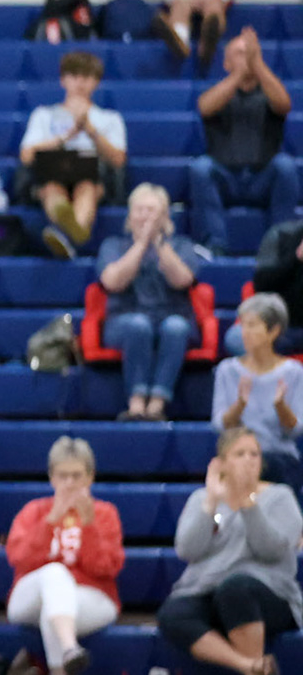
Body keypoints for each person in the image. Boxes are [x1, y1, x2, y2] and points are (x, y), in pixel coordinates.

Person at [160, 427, 302, 675]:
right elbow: (187, 549)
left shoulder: (281, 497)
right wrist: (211, 503)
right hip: (208, 590)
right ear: (221, 463)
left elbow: (272, 550)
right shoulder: (202, 498)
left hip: (268, 594)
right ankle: (251, 666)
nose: (249, 460)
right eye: (240, 454)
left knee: (235, 588)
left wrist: (248, 503)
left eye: (254, 454)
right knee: (173, 613)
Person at [3, 437, 125, 675]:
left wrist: (89, 525)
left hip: (92, 597)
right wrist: (51, 520)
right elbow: (19, 560)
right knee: (55, 574)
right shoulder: (34, 511)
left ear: (90, 477)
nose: (70, 483)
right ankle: (70, 648)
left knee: (54, 612)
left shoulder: (104, 513)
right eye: (63, 475)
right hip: (29, 596)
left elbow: (106, 569)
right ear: (52, 478)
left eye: (77, 475)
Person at [97, 183, 206, 421]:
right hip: (124, 320)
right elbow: (112, 282)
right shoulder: (113, 245)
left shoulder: (181, 246)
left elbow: (183, 280)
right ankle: (136, 404)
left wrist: (158, 244)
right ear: (129, 215)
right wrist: (140, 245)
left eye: (152, 210)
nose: (145, 216)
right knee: (139, 325)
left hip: (172, 316)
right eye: (140, 210)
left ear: (165, 216)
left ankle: (157, 405)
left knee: (176, 327)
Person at [191, 27, 296, 255]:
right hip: (225, 177)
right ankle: (215, 245)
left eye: (249, 52)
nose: (245, 57)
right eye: (239, 53)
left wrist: (257, 65)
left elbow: (284, 104)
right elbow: (205, 107)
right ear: (226, 63)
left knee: (286, 166)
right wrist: (238, 74)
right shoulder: (219, 92)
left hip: (262, 177)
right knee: (200, 168)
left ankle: (281, 244)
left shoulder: (268, 91)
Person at [20, 50, 128, 258]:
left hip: (92, 174)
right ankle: (74, 234)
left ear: (96, 82)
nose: (80, 83)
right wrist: (66, 137)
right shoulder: (44, 115)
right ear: (63, 80)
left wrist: (90, 130)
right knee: (52, 188)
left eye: (86, 77)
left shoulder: (109, 118)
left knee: (86, 187)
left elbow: (118, 159)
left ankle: (65, 236)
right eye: (74, 76)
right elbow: (27, 155)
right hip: (51, 171)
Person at [211, 294, 303, 489]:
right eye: (243, 325)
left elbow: (295, 429)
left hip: (279, 456)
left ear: (273, 331)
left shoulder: (294, 372)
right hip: (237, 455)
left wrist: (280, 407)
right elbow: (221, 425)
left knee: (275, 465)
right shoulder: (227, 370)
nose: (245, 332)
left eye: (252, 325)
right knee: (238, 463)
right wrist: (239, 406)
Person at [240, 215, 303, 356]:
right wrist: (296, 258)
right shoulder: (281, 234)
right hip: (285, 325)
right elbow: (261, 285)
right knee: (237, 338)